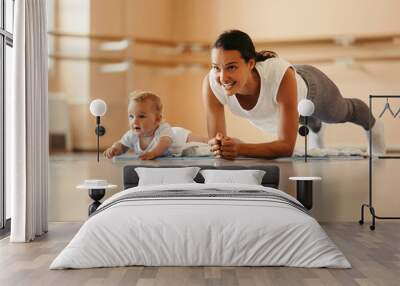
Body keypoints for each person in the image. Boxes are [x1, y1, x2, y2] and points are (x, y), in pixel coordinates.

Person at [203, 29, 386, 160]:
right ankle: (316, 127)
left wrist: (240, 148)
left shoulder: (280, 76)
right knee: (301, 117)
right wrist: (221, 145)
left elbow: (285, 147)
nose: (222, 77)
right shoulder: (212, 84)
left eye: (231, 67)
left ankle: (374, 126)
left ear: (250, 64)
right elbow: (216, 144)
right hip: (287, 92)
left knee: (340, 113)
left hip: (311, 88)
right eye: (216, 68)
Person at [104, 91, 207, 160]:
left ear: (157, 119)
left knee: (203, 141)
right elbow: (122, 145)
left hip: (179, 137)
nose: (134, 121)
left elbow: (165, 143)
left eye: (141, 116)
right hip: (177, 151)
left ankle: (215, 140)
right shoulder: (132, 135)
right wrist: (114, 149)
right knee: (198, 151)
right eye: (131, 116)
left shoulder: (163, 128)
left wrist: (153, 153)